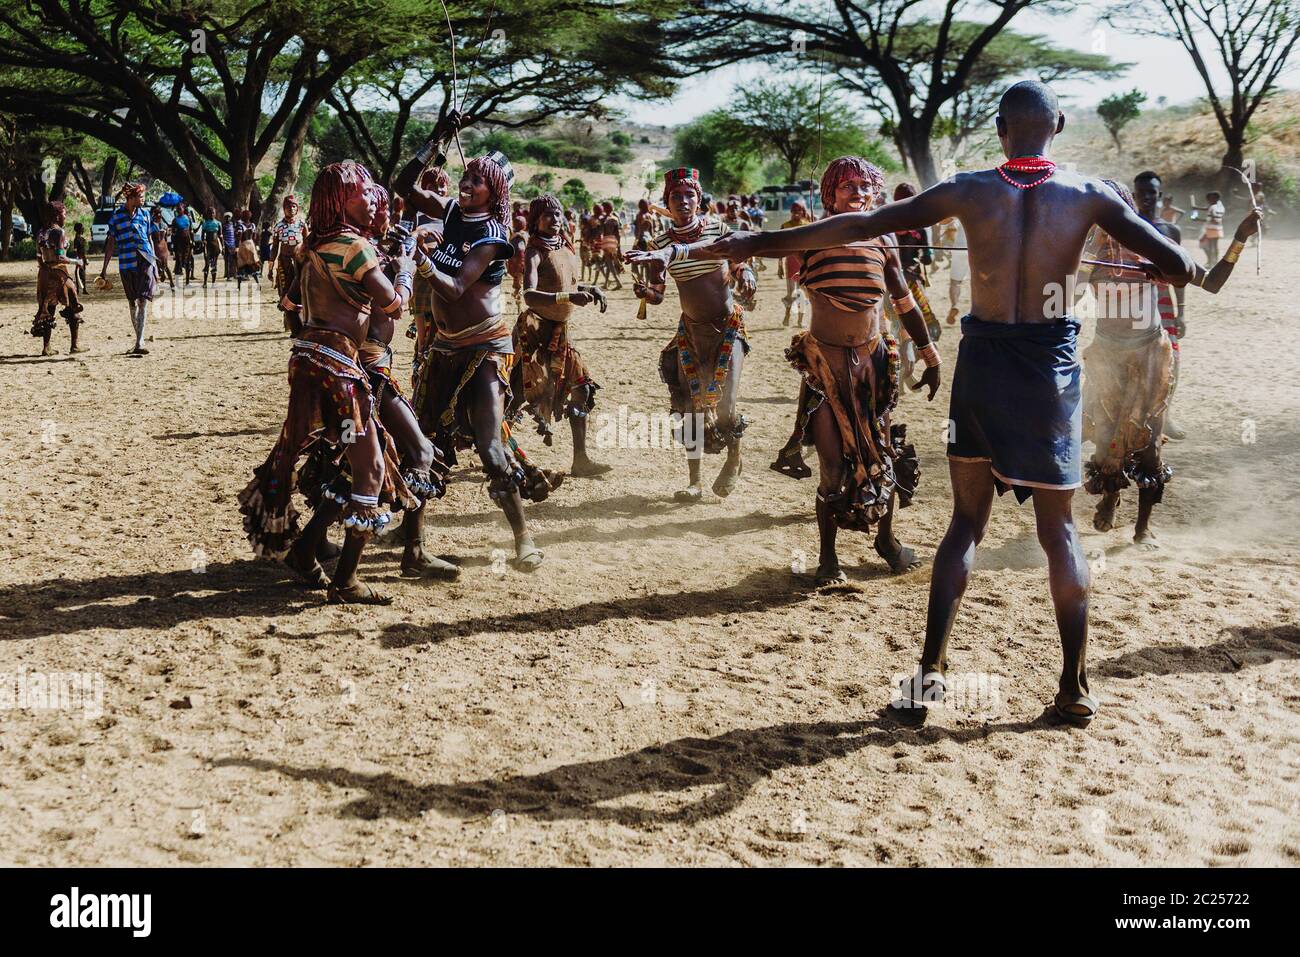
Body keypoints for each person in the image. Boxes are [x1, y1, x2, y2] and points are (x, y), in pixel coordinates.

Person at [647, 81, 1210, 728]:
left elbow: (860, 224)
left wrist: (746, 244)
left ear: (1001, 127)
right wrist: (1187, 265)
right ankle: (1074, 687)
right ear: (1057, 123)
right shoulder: (1090, 194)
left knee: (966, 524)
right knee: (1060, 532)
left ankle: (929, 679)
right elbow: (1168, 264)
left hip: (985, 364)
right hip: (1050, 373)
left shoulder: (970, 188)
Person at [239, 160, 421, 604]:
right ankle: (347, 580)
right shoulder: (355, 248)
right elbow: (393, 306)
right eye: (363, 193)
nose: (372, 198)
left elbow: (292, 301)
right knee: (372, 467)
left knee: (318, 448)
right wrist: (407, 269)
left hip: (306, 359)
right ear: (342, 201)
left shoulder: (312, 247)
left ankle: (303, 552)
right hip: (339, 366)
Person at [395, 121, 559, 571]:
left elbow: (453, 288)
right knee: (421, 441)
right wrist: (437, 139)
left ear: (495, 191)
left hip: (484, 349)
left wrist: (419, 259)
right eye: (466, 178)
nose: (467, 185)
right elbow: (403, 185)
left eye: (477, 181)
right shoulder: (450, 213)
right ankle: (413, 543)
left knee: (489, 447)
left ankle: (524, 538)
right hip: (444, 348)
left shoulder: (493, 236)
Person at [774, 158, 941, 583]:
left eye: (866, 186)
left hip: (873, 369)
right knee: (833, 466)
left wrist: (930, 355)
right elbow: (756, 243)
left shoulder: (882, 240)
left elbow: (904, 301)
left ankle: (887, 542)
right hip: (825, 371)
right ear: (829, 194)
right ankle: (828, 560)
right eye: (848, 186)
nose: (859, 192)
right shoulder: (810, 236)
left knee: (881, 457)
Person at [1080, 179, 1259, 545]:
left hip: (1149, 357)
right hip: (1106, 355)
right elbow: (1061, 293)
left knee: (1148, 443)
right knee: (1104, 437)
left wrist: (1239, 238)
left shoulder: (1153, 246)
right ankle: (1111, 500)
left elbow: (1211, 283)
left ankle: (1142, 530)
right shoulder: (1088, 249)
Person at [630, 167, 754, 502]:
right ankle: (695, 482)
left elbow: (741, 261)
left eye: (690, 195)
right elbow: (657, 294)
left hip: (728, 329)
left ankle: (734, 460)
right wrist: (645, 291)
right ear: (667, 203)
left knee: (726, 407)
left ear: (699, 201)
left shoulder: (718, 229)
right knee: (688, 406)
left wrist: (748, 276)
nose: (683, 201)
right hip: (691, 333)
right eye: (676, 196)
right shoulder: (661, 244)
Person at [510, 194, 611, 477]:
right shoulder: (534, 251)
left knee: (582, 389)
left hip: (560, 333)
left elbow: (571, 283)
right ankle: (496, 451)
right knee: (517, 395)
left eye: (558, 215)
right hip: (534, 331)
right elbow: (530, 295)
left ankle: (581, 460)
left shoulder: (565, 247)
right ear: (536, 219)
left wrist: (590, 289)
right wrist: (569, 296)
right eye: (549, 215)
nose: (556, 220)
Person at [1132, 171, 1188, 440]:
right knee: (1137, 362)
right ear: (1133, 196)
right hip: (1134, 304)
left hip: (1164, 302)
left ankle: (1166, 416)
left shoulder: (1170, 231)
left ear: (1160, 195)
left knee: (1172, 361)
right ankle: (1139, 417)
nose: (1147, 197)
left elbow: (1181, 275)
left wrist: (1182, 313)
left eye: (1152, 192)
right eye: (1141, 192)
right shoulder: (1126, 226)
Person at [97, 182, 157, 357]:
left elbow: (150, 238)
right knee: (132, 302)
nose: (143, 199)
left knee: (143, 300)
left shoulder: (145, 214)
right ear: (130, 198)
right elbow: (110, 244)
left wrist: (155, 265)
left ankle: (139, 341)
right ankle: (139, 339)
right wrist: (104, 269)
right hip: (126, 263)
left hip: (145, 261)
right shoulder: (116, 218)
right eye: (140, 196)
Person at [32, 201, 85, 356]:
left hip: (44, 274)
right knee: (72, 306)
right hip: (59, 274)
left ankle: (46, 347)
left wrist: (45, 271)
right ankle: (74, 346)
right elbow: (60, 256)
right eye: (64, 213)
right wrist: (77, 261)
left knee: (48, 308)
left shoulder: (41, 232)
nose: (65, 216)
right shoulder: (59, 232)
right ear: (57, 215)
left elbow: (39, 257)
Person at [270, 194, 306, 333]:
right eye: (288, 206)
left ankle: (301, 320)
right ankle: (288, 317)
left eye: (293, 206)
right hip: (284, 262)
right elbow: (274, 247)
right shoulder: (278, 226)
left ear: (297, 208)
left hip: (300, 261)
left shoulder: (302, 224)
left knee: (303, 290)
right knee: (285, 289)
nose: (291, 209)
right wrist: (271, 266)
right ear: (284, 209)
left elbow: (307, 242)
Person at [777, 200, 812, 327]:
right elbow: (779, 247)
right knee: (791, 293)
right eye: (794, 211)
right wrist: (779, 266)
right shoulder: (785, 226)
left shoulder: (808, 225)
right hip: (790, 262)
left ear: (803, 212)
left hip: (804, 262)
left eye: (799, 211)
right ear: (791, 212)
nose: (796, 213)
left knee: (801, 292)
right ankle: (787, 315)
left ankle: (800, 321)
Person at [1191, 190, 1225, 263]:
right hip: (1218, 229)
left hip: (1211, 229)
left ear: (1215, 199)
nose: (1209, 200)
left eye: (1210, 199)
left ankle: (1211, 261)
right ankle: (1214, 261)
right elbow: (1208, 209)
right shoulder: (1220, 206)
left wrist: (1198, 219)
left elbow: (1213, 220)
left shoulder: (1213, 207)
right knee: (1214, 246)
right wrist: (1196, 208)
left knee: (1207, 245)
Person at [149, 206, 174, 289]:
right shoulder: (150, 225)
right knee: (155, 266)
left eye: (160, 213)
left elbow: (169, 233)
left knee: (165, 266)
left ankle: (172, 283)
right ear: (153, 214)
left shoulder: (163, 224)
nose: (159, 215)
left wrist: (167, 232)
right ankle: (155, 284)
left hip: (163, 248)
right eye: (157, 213)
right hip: (155, 249)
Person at [171, 203, 195, 284]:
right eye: (177, 209)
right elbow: (173, 233)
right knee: (178, 261)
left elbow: (191, 230)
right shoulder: (175, 220)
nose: (178, 210)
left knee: (187, 260)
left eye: (180, 209)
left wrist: (193, 240)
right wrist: (173, 245)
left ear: (183, 209)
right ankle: (178, 282)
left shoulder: (188, 218)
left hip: (187, 242)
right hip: (178, 242)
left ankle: (187, 281)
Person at [200, 208, 222, 285]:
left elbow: (220, 235)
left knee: (214, 264)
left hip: (216, 244)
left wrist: (222, 247)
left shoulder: (218, 223)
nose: (212, 214)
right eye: (210, 213)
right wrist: (203, 241)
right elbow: (202, 236)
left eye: (213, 213)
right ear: (208, 214)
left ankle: (213, 282)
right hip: (208, 245)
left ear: (215, 213)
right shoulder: (205, 224)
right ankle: (205, 283)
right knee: (207, 264)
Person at [70, 221, 89, 295]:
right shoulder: (77, 239)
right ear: (79, 229)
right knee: (78, 273)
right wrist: (78, 260)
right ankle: (78, 290)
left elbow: (83, 251)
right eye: (82, 228)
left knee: (83, 274)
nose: (83, 229)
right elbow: (75, 251)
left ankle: (83, 289)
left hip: (82, 258)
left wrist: (85, 259)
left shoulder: (81, 239)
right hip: (79, 258)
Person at [221, 211, 237, 279]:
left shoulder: (232, 225)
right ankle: (227, 276)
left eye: (229, 217)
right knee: (227, 260)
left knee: (233, 260)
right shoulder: (223, 225)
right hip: (226, 243)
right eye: (226, 217)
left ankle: (234, 274)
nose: (228, 218)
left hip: (232, 244)